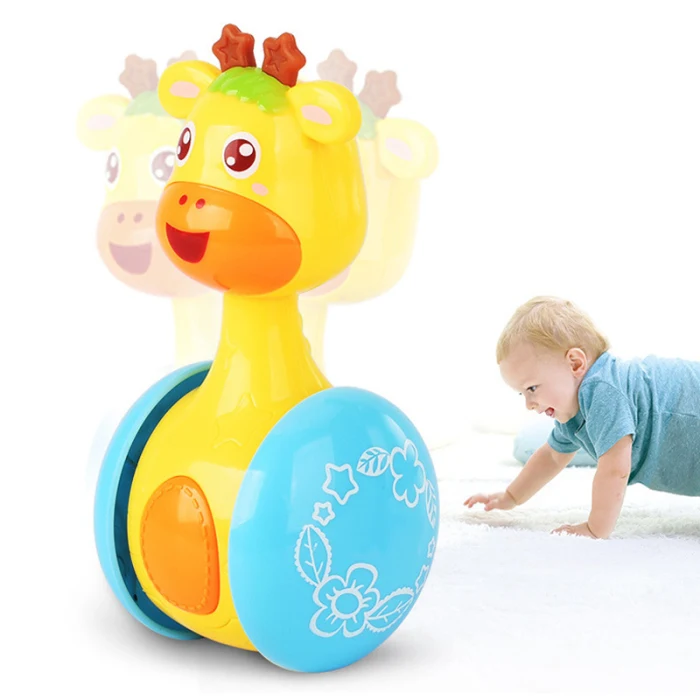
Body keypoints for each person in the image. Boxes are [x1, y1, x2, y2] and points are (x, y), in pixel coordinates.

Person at [464, 296, 700, 538]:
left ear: (575, 364)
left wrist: (595, 528)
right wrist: (511, 496)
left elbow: (615, 469)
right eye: (521, 393)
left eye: (532, 388)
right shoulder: (574, 413)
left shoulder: (603, 389)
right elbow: (552, 457)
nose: (529, 404)